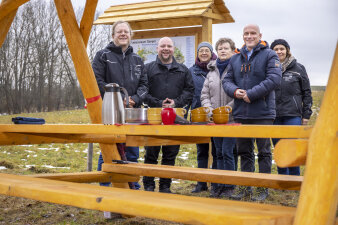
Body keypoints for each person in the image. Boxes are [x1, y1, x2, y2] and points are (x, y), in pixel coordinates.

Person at [222, 24, 282, 201]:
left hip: (262, 112)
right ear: (243, 36)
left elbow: (274, 79)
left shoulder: (269, 54)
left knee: (263, 152)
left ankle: (261, 188)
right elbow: (227, 80)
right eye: (246, 34)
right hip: (241, 113)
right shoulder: (235, 58)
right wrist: (235, 91)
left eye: (252, 33)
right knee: (244, 152)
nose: (249, 36)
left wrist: (251, 94)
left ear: (259, 35)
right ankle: (245, 187)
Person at [92, 21, 148, 193]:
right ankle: (106, 188)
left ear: (131, 35)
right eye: (119, 31)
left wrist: (135, 99)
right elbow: (97, 81)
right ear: (113, 35)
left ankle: (132, 186)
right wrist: (117, 97)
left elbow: (144, 85)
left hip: (132, 113)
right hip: (110, 112)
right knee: (109, 150)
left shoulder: (138, 59)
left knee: (132, 150)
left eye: (126, 31)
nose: (123, 34)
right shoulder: (102, 56)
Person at [143, 37, 194, 193]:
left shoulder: (183, 70)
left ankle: (165, 186)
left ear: (173, 49)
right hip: (154, 118)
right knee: (151, 154)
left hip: (175, 118)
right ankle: (149, 185)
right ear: (157, 49)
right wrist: (159, 103)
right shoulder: (148, 69)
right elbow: (143, 91)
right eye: (162, 46)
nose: (166, 49)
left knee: (170, 155)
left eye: (169, 46)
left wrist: (176, 102)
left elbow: (189, 91)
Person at [200, 38, 237, 198]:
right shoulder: (211, 71)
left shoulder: (237, 69)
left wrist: (228, 109)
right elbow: (204, 94)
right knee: (219, 153)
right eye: (220, 48)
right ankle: (218, 185)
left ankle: (229, 185)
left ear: (232, 50)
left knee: (228, 152)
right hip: (214, 119)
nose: (222, 51)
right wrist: (210, 110)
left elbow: (239, 92)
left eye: (226, 48)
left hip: (231, 118)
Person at [270, 39, 312, 176]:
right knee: (278, 147)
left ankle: (294, 178)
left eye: (281, 48)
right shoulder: (269, 69)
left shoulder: (298, 68)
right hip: (274, 115)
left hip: (293, 115)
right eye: (276, 49)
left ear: (287, 50)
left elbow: (307, 92)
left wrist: (306, 115)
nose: (279, 51)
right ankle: (283, 177)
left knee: (292, 147)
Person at [189, 42, 217, 194]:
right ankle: (201, 183)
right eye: (201, 51)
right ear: (198, 54)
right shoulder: (191, 71)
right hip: (198, 114)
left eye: (207, 50)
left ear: (211, 53)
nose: (204, 53)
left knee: (217, 150)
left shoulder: (218, 68)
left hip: (217, 116)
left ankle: (216, 183)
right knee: (201, 151)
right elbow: (188, 91)